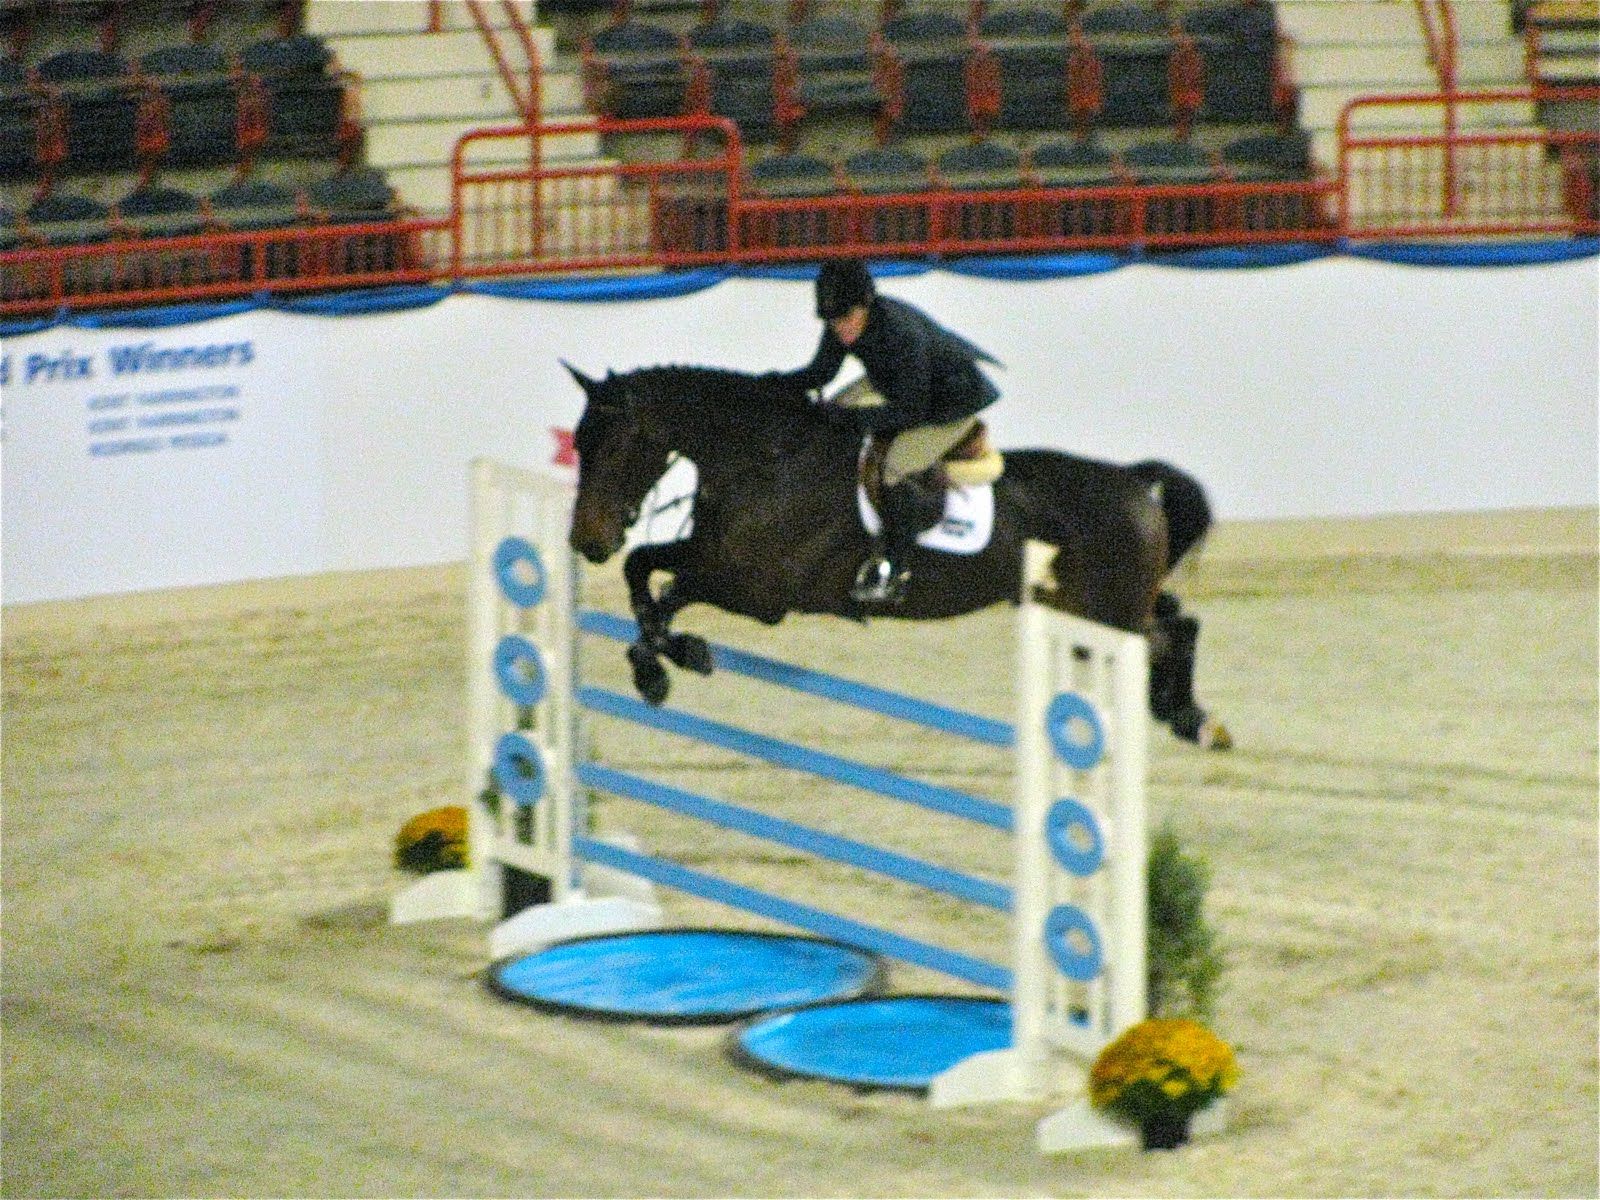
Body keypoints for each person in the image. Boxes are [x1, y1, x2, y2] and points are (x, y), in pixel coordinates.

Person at [783, 258, 1001, 605]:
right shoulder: (843, 318)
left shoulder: (901, 333)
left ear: (866, 304)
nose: (841, 329)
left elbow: (910, 412)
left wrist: (852, 420)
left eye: (847, 318)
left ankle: (893, 572)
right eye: (833, 321)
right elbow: (820, 374)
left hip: (947, 402)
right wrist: (772, 386)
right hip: (901, 387)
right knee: (833, 412)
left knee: (894, 468)